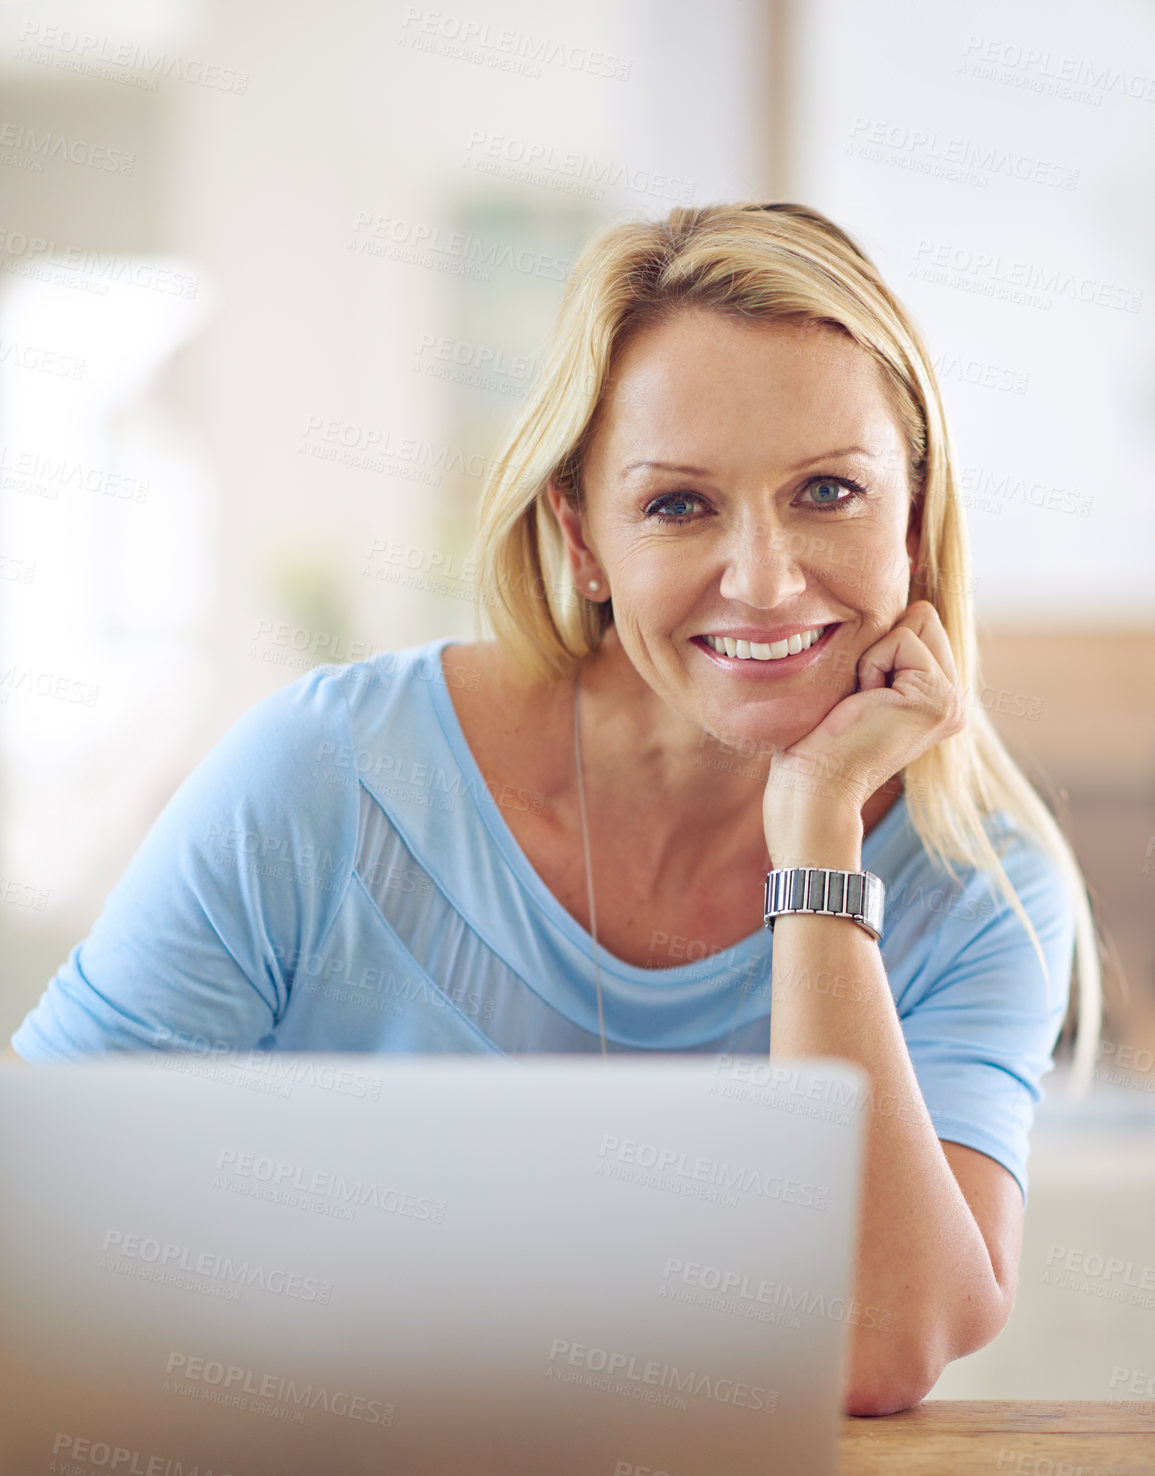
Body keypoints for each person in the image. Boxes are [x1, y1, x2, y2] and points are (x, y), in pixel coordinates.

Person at [6, 202, 1101, 1415]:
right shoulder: (324, 778)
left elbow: (876, 1348)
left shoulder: (977, 886)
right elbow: (38, 1207)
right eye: (679, 506)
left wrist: (819, 835)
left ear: (913, 515)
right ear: (582, 540)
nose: (765, 578)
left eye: (829, 491)